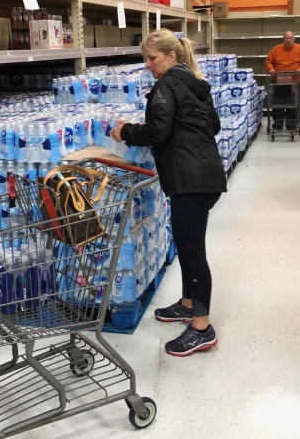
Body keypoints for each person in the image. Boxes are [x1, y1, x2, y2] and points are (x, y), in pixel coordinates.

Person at [110, 28, 226, 357]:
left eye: (152, 58)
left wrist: (125, 131)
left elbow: (158, 132)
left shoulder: (166, 85)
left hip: (190, 180)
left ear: (171, 57)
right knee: (186, 243)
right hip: (204, 176)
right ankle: (189, 304)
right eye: (145, 58)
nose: (148, 64)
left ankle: (202, 328)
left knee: (191, 253)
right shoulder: (194, 82)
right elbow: (213, 126)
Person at [264, 31, 300, 131]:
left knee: (293, 103)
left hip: (295, 81)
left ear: (294, 39)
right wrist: (271, 70)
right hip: (278, 81)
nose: (288, 40)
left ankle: (291, 124)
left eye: (290, 38)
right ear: (283, 39)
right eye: (286, 38)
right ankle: (278, 123)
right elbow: (268, 61)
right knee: (278, 103)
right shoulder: (276, 49)